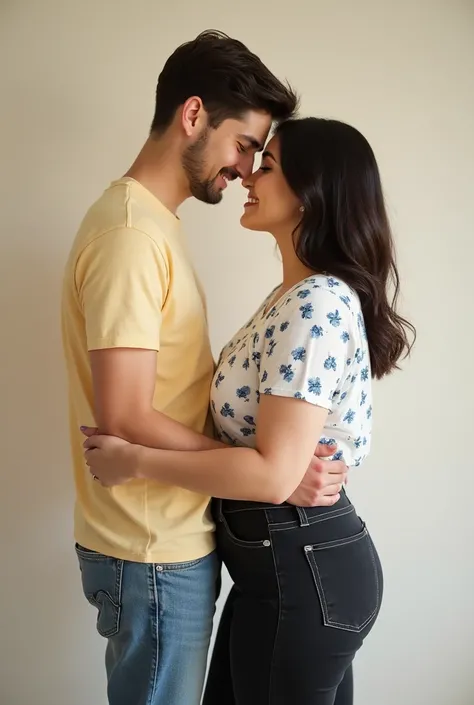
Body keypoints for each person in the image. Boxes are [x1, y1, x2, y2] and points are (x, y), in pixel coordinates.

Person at [83, 117, 416, 705]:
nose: (247, 176)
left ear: (314, 192)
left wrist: (134, 459)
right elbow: (274, 469)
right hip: (280, 570)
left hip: (303, 572)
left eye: (268, 165)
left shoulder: (316, 303)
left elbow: (271, 475)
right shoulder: (292, 296)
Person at [61, 31, 348, 705]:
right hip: (150, 543)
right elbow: (127, 414)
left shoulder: (153, 225)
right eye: (244, 145)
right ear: (193, 116)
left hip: (165, 535)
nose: (246, 170)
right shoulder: (131, 234)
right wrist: (269, 470)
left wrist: (269, 463)